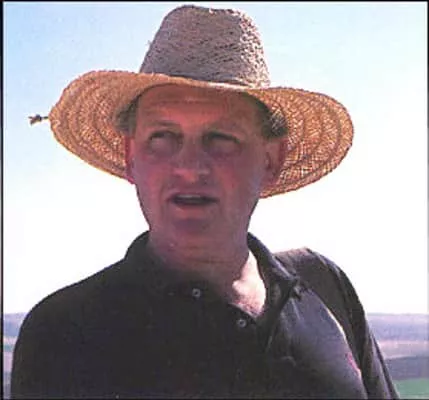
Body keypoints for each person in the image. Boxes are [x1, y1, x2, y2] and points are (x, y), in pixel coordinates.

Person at [11, 5, 399, 399]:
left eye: (221, 138)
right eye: (163, 136)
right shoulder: (66, 335)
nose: (190, 167)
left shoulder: (325, 288)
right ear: (131, 157)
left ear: (271, 160)